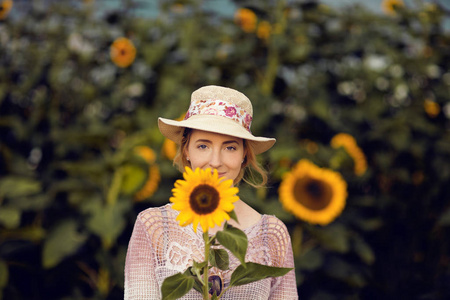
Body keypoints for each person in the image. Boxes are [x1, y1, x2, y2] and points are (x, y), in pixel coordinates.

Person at [124, 85, 298, 299]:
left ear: (245, 154)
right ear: (186, 150)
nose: (215, 162)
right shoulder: (155, 226)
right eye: (203, 146)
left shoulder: (271, 235)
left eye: (230, 147)